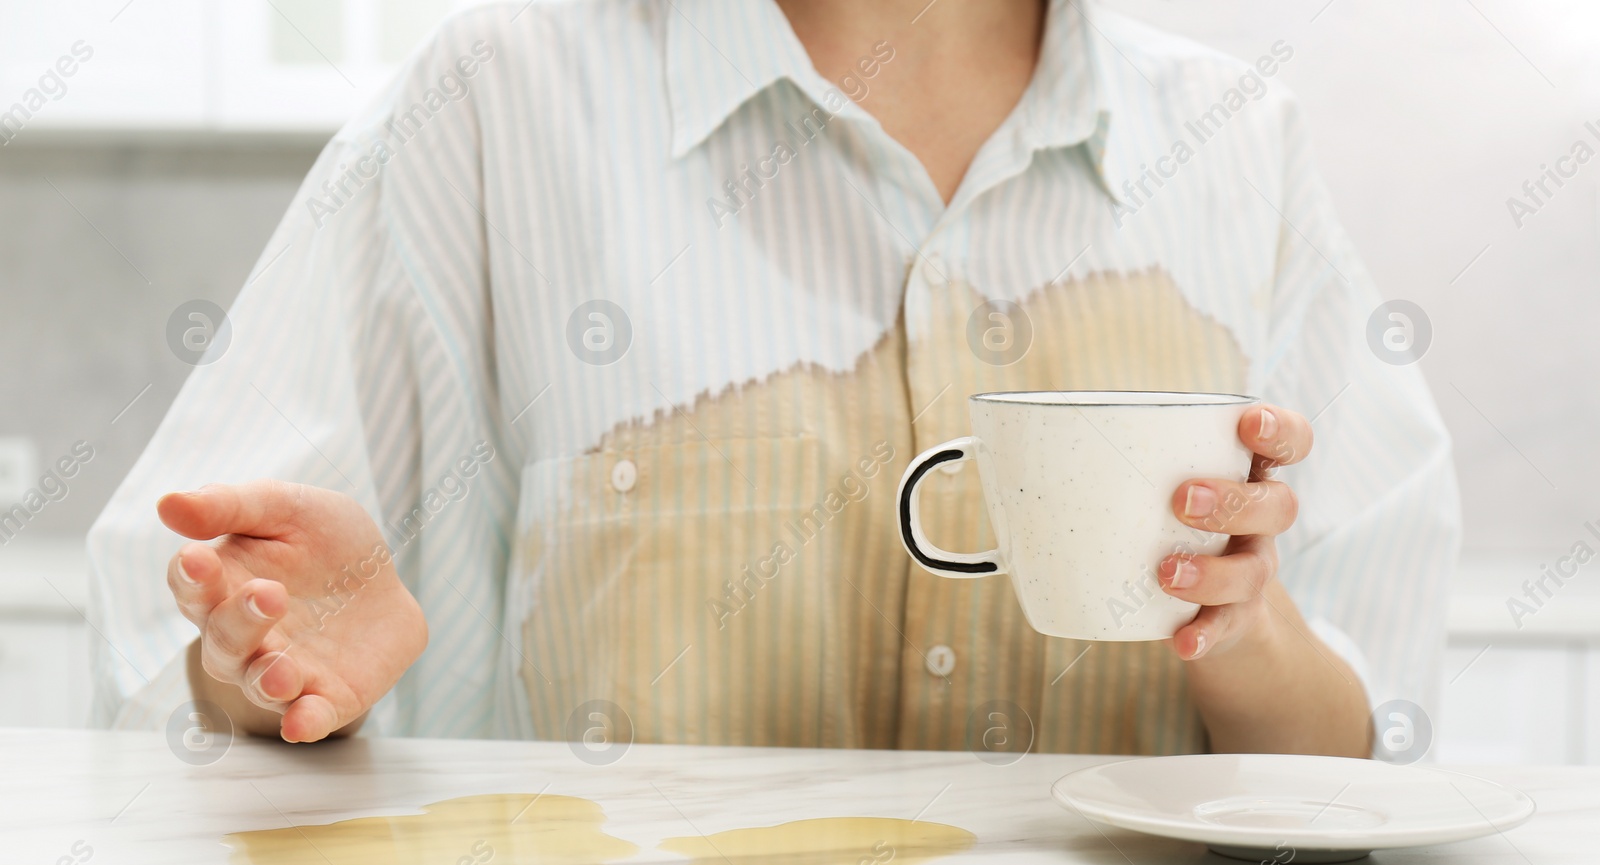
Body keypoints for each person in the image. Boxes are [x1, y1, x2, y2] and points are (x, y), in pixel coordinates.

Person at [87, 0, 1459, 756]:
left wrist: (1252, 633)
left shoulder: (1236, 142)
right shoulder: (498, 102)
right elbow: (171, 653)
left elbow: (1373, 741)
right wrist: (258, 666)